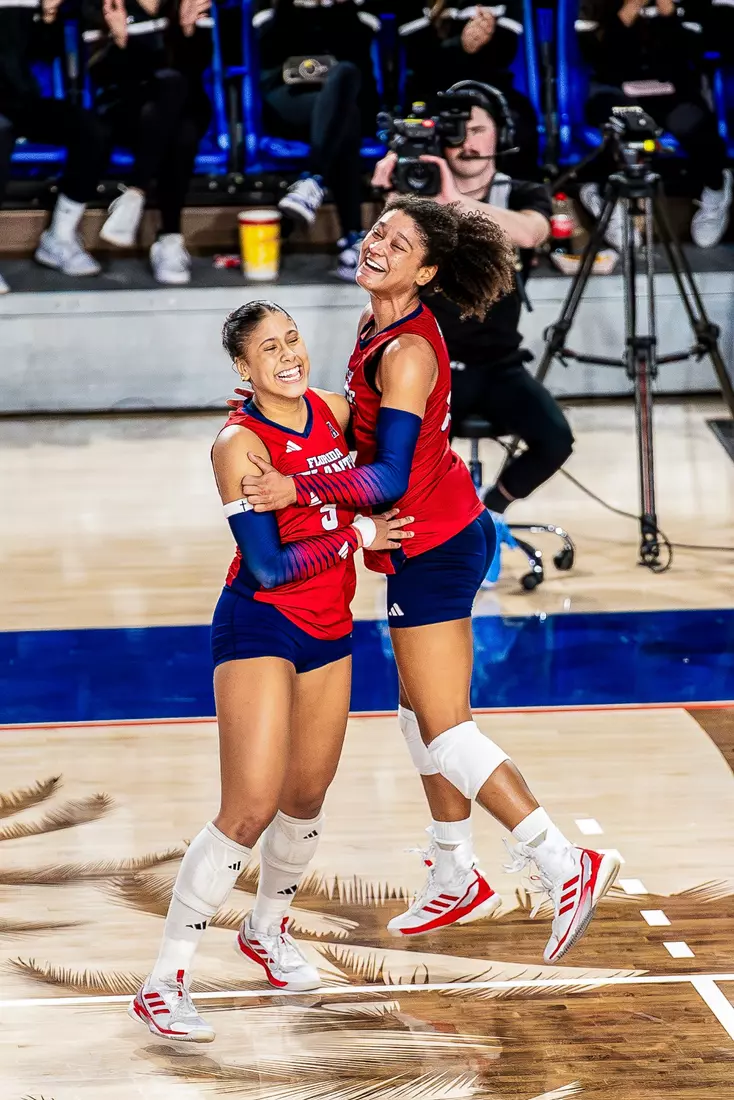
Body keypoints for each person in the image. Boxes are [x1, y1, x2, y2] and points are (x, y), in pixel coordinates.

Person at [237, 199, 621, 962]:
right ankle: (454, 869)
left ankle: (561, 859)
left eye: (399, 242)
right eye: (378, 230)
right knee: (418, 714)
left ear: (427, 271)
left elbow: (383, 477)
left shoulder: (407, 350)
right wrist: (277, 407)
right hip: (427, 539)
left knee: (445, 727)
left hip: (436, 544)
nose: (378, 243)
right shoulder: (375, 324)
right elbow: (359, 420)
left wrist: (298, 488)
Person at [130, 300, 411, 1043]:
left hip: (331, 625)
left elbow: (385, 474)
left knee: (306, 797)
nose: (288, 355)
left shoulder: (331, 407)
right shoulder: (238, 444)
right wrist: (354, 530)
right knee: (248, 809)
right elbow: (267, 563)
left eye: (292, 339)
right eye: (268, 348)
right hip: (261, 621)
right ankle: (165, 982)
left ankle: (266, 929)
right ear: (242, 367)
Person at [371, 81, 573, 584]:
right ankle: (426, 542)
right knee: (398, 456)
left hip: (499, 363)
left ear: (499, 134)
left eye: (478, 128)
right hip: (431, 368)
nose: (468, 141)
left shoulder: (521, 190)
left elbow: (531, 232)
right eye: (457, 130)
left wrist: (452, 201)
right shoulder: (415, 197)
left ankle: (490, 511)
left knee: (555, 439)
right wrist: (394, 201)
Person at [576, 0, 732, 250]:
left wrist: (667, 11)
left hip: (673, 87)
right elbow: (594, 55)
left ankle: (716, 187)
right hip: (614, 87)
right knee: (617, 123)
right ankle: (605, 194)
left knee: (692, 121)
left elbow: (696, 51)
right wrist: (630, 9)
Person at [82, 0, 214, 284]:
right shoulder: (106, 5)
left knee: (177, 96)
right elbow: (100, 75)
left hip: (185, 106)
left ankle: (135, 194)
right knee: (180, 125)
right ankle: (169, 237)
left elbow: (197, 69)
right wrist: (120, 41)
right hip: (128, 111)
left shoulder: (190, 3)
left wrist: (187, 30)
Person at [253, 0, 380, 280]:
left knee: (346, 86)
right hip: (290, 99)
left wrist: (337, 7)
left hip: (350, 98)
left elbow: (356, 48)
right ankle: (351, 238)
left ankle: (312, 180)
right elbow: (271, 44)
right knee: (347, 118)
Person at [0, 0, 106, 290]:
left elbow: (43, 53)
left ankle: (59, 236)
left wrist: (47, 15)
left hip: (20, 100)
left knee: (91, 131)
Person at [398, 1, 540, 180]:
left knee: (520, 121)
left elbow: (505, 51)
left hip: (492, 88)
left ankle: (518, 202)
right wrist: (461, 46)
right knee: (420, 127)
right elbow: (420, 56)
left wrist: (474, 43)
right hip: (432, 89)